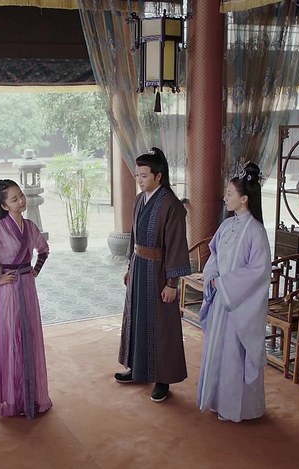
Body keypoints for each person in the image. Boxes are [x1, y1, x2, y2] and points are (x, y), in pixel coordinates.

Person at [0, 178, 52, 419]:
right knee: (11, 340)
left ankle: (31, 397)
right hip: (8, 290)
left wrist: (36, 269)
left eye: (21, 196)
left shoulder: (30, 226)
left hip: (27, 287)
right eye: (14, 199)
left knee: (29, 339)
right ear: (4, 206)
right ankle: (13, 398)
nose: (21, 201)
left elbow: (44, 249)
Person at [196, 161, 271, 422]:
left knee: (234, 355)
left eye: (229, 194)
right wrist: (213, 277)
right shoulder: (227, 226)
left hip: (239, 305)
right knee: (219, 351)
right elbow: (214, 255)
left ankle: (239, 409)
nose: (225, 197)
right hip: (221, 300)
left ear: (244, 199)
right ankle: (217, 400)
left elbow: (259, 271)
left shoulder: (256, 231)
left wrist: (226, 284)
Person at [115, 147, 191, 403]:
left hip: (159, 273)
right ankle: (137, 368)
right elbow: (134, 237)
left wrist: (172, 283)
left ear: (159, 176)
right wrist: (130, 267)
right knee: (136, 318)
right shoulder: (139, 200)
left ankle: (163, 378)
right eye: (137, 175)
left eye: (144, 175)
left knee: (161, 325)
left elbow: (177, 245)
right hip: (139, 267)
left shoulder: (172, 205)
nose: (139, 180)